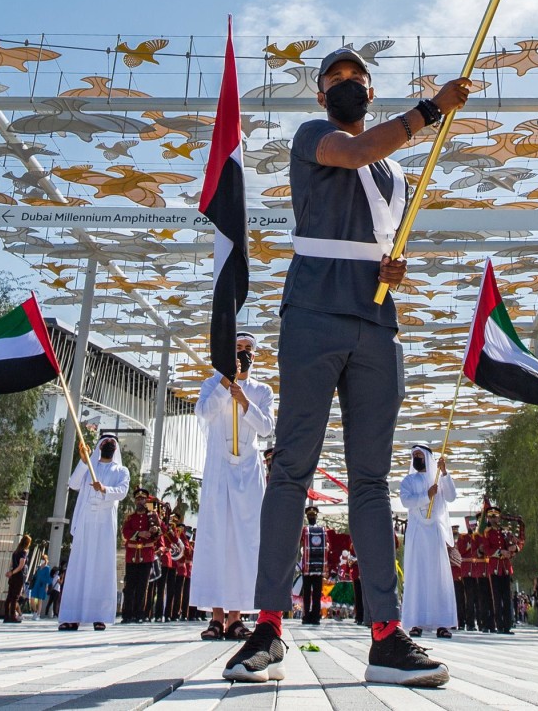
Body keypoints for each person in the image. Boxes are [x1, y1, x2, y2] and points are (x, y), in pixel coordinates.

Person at [227, 48, 474, 688]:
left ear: (370, 89)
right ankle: (269, 629)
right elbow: (354, 154)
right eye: (335, 79)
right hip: (312, 313)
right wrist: (431, 108)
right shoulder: (316, 137)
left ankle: (386, 639)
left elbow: (382, 237)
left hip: (376, 323)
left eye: (357, 78)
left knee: (370, 482)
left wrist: (392, 266)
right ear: (321, 96)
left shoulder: (392, 172)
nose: (347, 85)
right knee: (292, 470)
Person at [194, 332, 274, 641]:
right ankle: (216, 616)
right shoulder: (211, 383)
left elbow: (267, 428)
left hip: (248, 473)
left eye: (247, 349)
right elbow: (203, 413)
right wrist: (226, 385)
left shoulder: (262, 390)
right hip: (218, 469)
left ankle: (237, 616)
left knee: (244, 541)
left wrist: (244, 401)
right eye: (237, 347)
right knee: (216, 538)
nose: (242, 353)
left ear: (256, 355)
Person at [58, 434, 130, 630]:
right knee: (78, 567)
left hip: (105, 524)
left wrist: (104, 488)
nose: (108, 445)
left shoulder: (121, 470)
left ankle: (99, 616)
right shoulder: (88, 467)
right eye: (105, 442)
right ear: (99, 446)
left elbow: (122, 491)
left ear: (115, 448)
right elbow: (73, 484)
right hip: (85, 523)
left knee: (101, 568)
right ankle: (72, 616)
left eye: (111, 443)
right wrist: (83, 462)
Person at [398, 444, 456, 639]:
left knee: (437, 577)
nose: (416, 458)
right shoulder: (408, 480)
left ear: (427, 458)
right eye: (414, 455)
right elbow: (406, 501)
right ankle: (416, 622)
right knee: (417, 575)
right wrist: (426, 496)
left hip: (434, 533)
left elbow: (451, 496)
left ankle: (442, 623)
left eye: (419, 455)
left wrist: (445, 473)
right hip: (416, 533)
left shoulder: (438, 479)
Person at [121, 491, 158, 623]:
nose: (140, 501)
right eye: (138, 499)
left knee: (142, 587)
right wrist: (139, 534)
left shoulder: (152, 516)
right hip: (132, 555)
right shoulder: (130, 517)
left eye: (143, 499)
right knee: (129, 586)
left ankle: (139, 614)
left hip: (146, 555)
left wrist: (154, 531)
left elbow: (158, 534)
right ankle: (127, 614)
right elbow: (125, 532)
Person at [298, 506, 328, 626]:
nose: (312, 518)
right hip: (307, 566)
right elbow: (300, 545)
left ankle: (315, 616)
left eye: (313, 516)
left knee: (316, 593)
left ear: (316, 516)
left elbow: (326, 547)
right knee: (306, 594)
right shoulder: (304, 530)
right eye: (310, 516)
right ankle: (306, 616)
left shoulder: (322, 530)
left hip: (318, 566)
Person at [1, 533, 31, 622]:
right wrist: (13, 572)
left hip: (13, 577)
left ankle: (6, 616)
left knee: (9, 596)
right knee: (15, 597)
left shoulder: (15, 552)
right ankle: (13, 616)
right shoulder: (23, 552)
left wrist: (10, 572)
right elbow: (21, 565)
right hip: (18, 576)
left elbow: (12, 564)